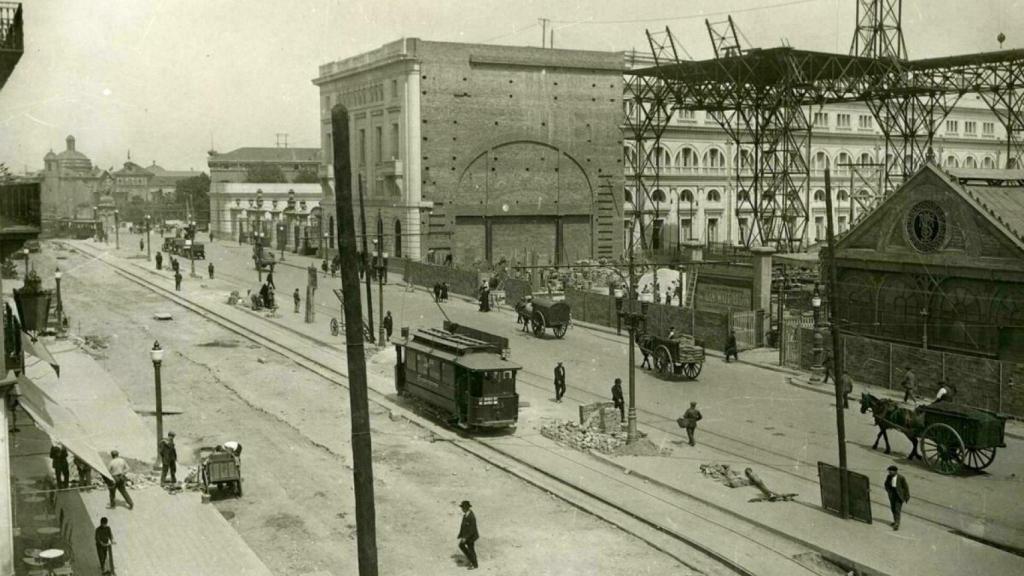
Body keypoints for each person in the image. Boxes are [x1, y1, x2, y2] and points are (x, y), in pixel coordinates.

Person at [884, 465, 910, 530]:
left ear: (895, 471)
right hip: (892, 494)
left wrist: (906, 496)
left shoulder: (901, 478)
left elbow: (906, 487)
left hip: (899, 496)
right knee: (893, 508)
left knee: (897, 510)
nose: (889, 472)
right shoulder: (889, 477)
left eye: (891, 471)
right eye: (889, 471)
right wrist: (888, 491)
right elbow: (886, 484)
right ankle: (895, 521)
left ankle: (897, 524)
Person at [457, 500, 479, 570]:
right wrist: (461, 535)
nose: (461, 509)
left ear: (466, 508)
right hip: (467, 536)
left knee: (471, 549)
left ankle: (474, 564)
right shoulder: (466, 514)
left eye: (462, 507)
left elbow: (472, 529)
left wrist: (465, 538)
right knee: (462, 545)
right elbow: (463, 526)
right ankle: (471, 560)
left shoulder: (471, 516)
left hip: (471, 536)